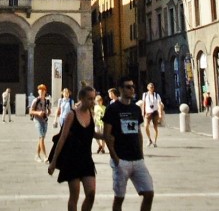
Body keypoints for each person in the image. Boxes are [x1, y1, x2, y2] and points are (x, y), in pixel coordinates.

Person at [104, 76, 154, 210]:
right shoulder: (112, 109)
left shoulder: (135, 109)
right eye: (128, 87)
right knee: (119, 198)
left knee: (149, 193)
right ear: (120, 89)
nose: (132, 89)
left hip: (137, 159)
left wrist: (141, 154)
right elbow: (106, 135)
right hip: (121, 159)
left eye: (133, 86)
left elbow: (138, 132)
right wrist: (115, 158)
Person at [49, 85, 102, 211]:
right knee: (74, 196)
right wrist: (54, 161)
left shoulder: (90, 113)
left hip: (86, 159)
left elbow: (92, 133)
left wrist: (106, 136)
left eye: (93, 98)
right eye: (90, 99)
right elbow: (62, 138)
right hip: (72, 160)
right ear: (81, 99)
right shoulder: (71, 115)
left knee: (91, 193)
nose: (92, 102)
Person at [30, 84, 51, 162]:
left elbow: (49, 110)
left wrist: (48, 113)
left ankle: (37, 155)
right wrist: (38, 113)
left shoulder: (47, 101)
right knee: (41, 137)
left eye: (43, 90)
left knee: (41, 138)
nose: (41, 91)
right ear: (38, 91)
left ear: (45, 91)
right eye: (40, 90)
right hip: (37, 120)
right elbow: (30, 111)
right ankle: (45, 156)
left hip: (44, 121)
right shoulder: (36, 100)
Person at [141, 82, 163, 148]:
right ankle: (149, 139)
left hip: (155, 112)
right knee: (145, 126)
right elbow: (143, 104)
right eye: (150, 87)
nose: (151, 88)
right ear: (148, 88)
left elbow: (159, 104)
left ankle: (155, 142)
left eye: (152, 87)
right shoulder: (145, 95)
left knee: (155, 127)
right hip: (148, 113)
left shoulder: (156, 95)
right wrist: (142, 112)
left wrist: (160, 114)